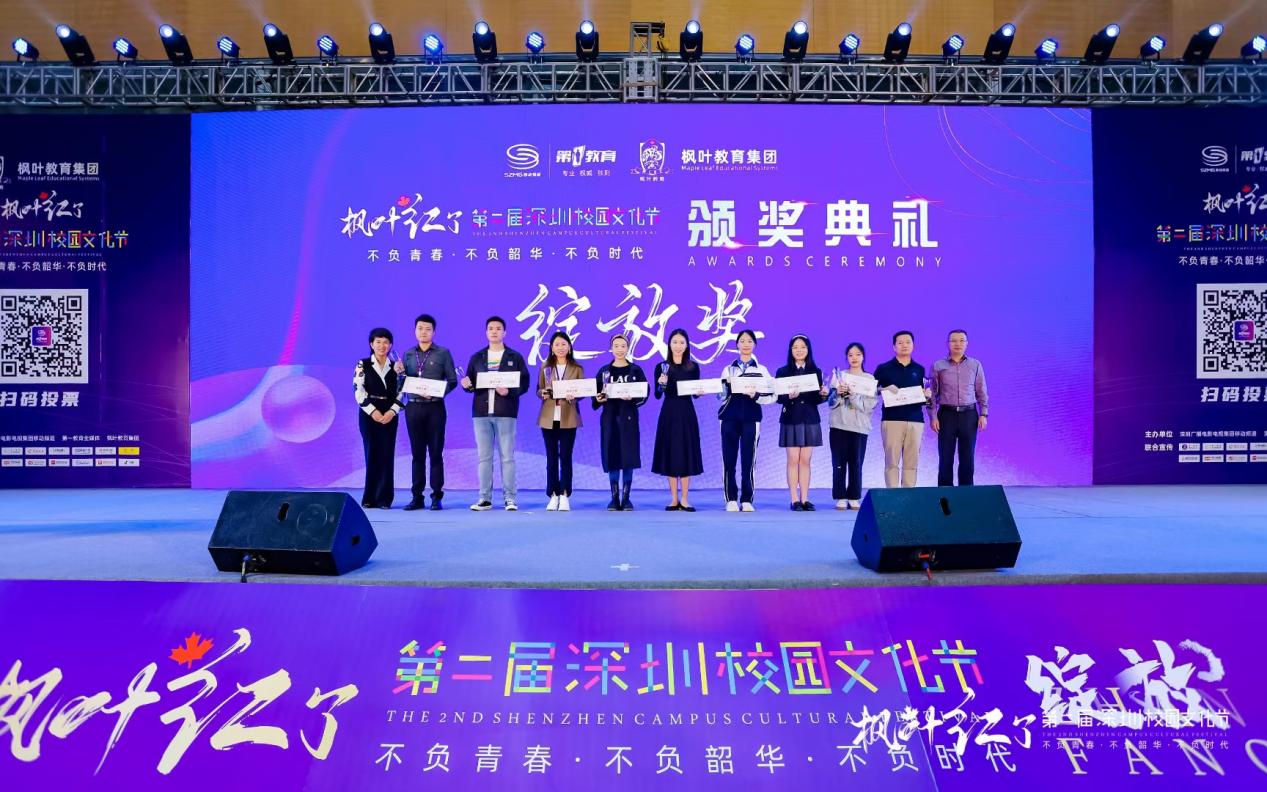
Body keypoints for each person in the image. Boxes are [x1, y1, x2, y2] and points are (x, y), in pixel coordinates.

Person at [460, 316, 531, 511]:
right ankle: (484, 498)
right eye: (490, 328)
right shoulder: (477, 357)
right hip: (481, 413)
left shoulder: (514, 357)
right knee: (484, 458)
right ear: (486, 332)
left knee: (507, 457)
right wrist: (466, 385)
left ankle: (510, 498)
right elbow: (471, 383)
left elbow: (524, 383)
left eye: (498, 328)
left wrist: (510, 391)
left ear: (504, 332)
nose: (494, 331)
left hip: (505, 411)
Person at [395, 314, 458, 511]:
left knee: (436, 453)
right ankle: (417, 497)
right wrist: (399, 374)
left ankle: (436, 497)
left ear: (434, 332)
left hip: (435, 408)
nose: (424, 332)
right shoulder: (407, 354)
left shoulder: (443, 353)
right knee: (417, 454)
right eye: (420, 328)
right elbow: (402, 384)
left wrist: (438, 393)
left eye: (428, 329)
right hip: (413, 407)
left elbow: (453, 381)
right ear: (415, 331)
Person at [717, 329, 775, 512]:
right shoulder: (728, 369)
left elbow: (772, 395)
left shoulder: (761, 370)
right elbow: (720, 397)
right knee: (729, 460)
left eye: (749, 341)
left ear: (754, 344)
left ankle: (747, 499)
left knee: (749, 460)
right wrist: (725, 386)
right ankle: (731, 499)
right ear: (737, 345)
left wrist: (756, 395)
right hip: (729, 418)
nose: (746, 344)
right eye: (742, 341)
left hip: (752, 418)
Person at [593, 334, 649, 511]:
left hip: (629, 420)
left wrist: (633, 398)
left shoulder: (635, 370)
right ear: (611, 348)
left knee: (628, 457)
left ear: (628, 348)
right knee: (612, 457)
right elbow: (595, 398)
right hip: (609, 420)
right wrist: (599, 399)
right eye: (616, 346)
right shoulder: (604, 371)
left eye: (623, 346)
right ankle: (614, 498)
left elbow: (644, 394)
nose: (619, 349)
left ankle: (626, 498)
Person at [652, 328, 704, 511]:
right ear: (669, 344)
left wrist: (699, 392)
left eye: (682, 342)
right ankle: (674, 498)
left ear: (687, 345)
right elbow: (657, 394)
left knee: (686, 452)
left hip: (687, 412)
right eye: (675, 342)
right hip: (668, 412)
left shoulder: (693, 367)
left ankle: (685, 498)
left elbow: (695, 394)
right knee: (671, 453)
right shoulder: (661, 367)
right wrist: (661, 384)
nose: (678, 346)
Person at [776, 334, 829, 511]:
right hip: (791, 418)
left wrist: (824, 394)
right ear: (790, 350)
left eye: (803, 347)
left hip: (810, 418)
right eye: (795, 347)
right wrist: (788, 397)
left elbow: (817, 399)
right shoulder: (783, 372)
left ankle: (805, 499)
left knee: (806, 460)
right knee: (793, 459)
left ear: (808, 350)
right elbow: (778, 397)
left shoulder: (816, 371)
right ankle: (794, 500)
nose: (799, 350)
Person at [874, 330, 933, 488]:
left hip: (915, 421)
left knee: (912, 463)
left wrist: (927, 395)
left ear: (913, 345)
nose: (904, 345)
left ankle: (908, 495)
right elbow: (871, 390)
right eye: (900, 343)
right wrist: (883, 389)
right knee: (891, 462)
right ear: (894, 347)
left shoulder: (919, 369)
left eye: (908, 342)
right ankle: (893, 496)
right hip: (891, 420)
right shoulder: (884, 368)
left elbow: (923, 396)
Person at [353, 327, 404, 509]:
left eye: (386, 342)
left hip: (390, 413)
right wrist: (373, 411)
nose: (382, 346)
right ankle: (369, 498)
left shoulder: (397, 367)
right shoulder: (363, 364)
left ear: (390, 345)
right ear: (371, 344)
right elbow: (358, 390)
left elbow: (403, 392)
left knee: (387, 454)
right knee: (372, 453)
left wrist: (392, 412)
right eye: (378, 342)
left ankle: (385, 498)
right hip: (369, 414)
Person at [931, 329, 989, 486]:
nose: (958, 344)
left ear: (967, 343)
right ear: (947, 343)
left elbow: (981, 391)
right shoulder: (938, 365)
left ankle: (966, 494)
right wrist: (933, 416)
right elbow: (932, 394)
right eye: (954, 340)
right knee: (945, 458)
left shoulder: (975, 365)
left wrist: (984, 414)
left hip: (969, 415)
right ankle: (945, 496)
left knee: (967, 458)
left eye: (962, 340)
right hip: (946, 415)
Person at [536, 331, 585, 512]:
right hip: (548, 417)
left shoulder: (577, 368)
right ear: (551, 348)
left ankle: (564, 494)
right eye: (556, 344)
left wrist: (575, 396)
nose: (560, 347)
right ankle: (553, 495)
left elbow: (582, 391)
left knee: (565, 457)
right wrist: (543, 393)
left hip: (569, 417)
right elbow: (539, 389)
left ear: (569, 347)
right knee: (551, 459)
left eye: (564, 344)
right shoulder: (545, 367)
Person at [827, 342, 878, 509]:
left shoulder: (869, 379)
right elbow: (830, 403)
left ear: (863, 357)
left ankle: (854, 496)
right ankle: (840, 496)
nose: (854, 358)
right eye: (850, 355)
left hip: (859, 427)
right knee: (838, 463)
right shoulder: (839, 376)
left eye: (858, 354)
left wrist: (852, 395)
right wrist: (838, 394)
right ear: (846, 358)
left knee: (856, 463)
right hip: (838, 426)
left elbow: (868, 406)